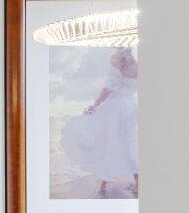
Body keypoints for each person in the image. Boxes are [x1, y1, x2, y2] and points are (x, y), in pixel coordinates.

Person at [57, 47, 138, 197]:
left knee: (107, 143)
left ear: (120, 57)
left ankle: (103, 185)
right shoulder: (138, 67)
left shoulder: (116, 69)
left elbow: (106, 91)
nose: (114, 58)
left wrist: (94, 106)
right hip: (130, 108)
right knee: (130, 143)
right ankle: (137, 183)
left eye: (116, 55)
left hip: (114, 108)